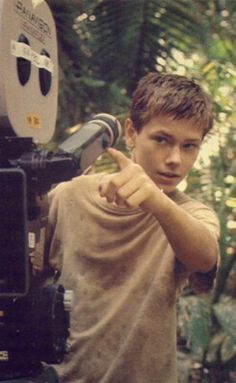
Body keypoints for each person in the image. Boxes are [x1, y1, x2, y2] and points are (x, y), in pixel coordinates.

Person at [45, 73, 220, 383]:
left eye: (189, 146)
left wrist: (156, 201)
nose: (174, 160)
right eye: (162, 139)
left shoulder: (189, 214)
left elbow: (204, 257)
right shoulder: (68, 195)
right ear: (131, 132)